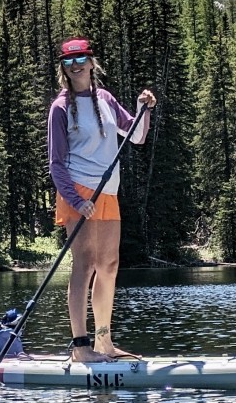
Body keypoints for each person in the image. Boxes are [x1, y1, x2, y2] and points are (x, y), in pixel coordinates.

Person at [47, 37, 156, 363]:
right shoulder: (60, 108)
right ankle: (81, 348)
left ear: (92, 62)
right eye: (68, 61)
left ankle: (104, 343)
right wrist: (75, 201)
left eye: (81, 58)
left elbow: (136, 136)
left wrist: (142, 109)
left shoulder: (106, 99)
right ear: (63, 68)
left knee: (109, 266)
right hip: (79, 192)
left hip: (108, 192)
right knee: (84, 266)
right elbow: (55, 163)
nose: (76, 64)